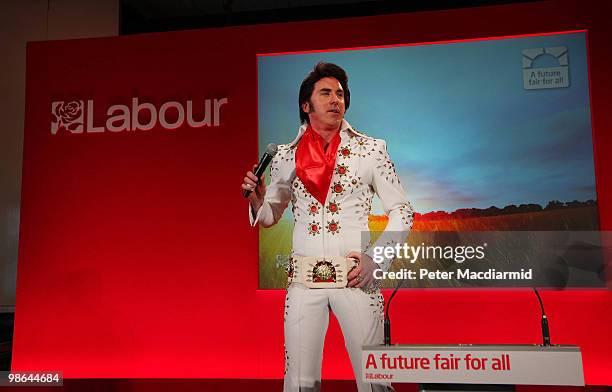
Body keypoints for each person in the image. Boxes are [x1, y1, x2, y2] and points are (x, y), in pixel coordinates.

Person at [242, 62, 413, 392]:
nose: (336, 99)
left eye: (340, 94)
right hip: (304, 283)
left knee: (375, 383)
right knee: (299, 384)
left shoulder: (371, 149)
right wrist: (257, 199)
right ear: (306, 105)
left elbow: (402, 211)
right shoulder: (284, 156)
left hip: (355, 279)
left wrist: (377, 259)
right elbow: (268, 217)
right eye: (326, 93)